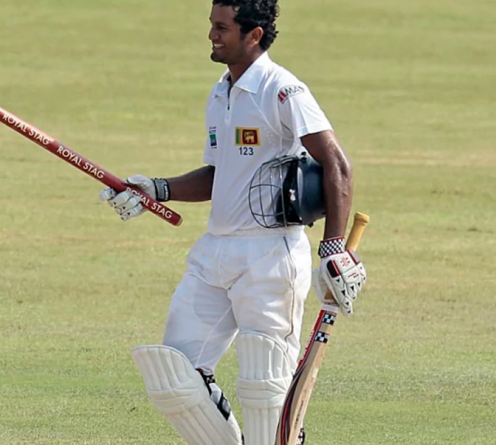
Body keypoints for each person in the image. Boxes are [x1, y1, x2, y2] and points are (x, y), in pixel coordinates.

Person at [98, 1, 367, 444]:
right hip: (214, 251)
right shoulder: (220, 92)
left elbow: (337, 164)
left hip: (270, 255)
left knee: (265, 391)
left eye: (222, 28)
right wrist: (156, 189)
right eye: (211, 25)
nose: (211, 35)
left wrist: (334, 248)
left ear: (254, 35)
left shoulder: (283, 90)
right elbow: (219, 174)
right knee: (173, 377)